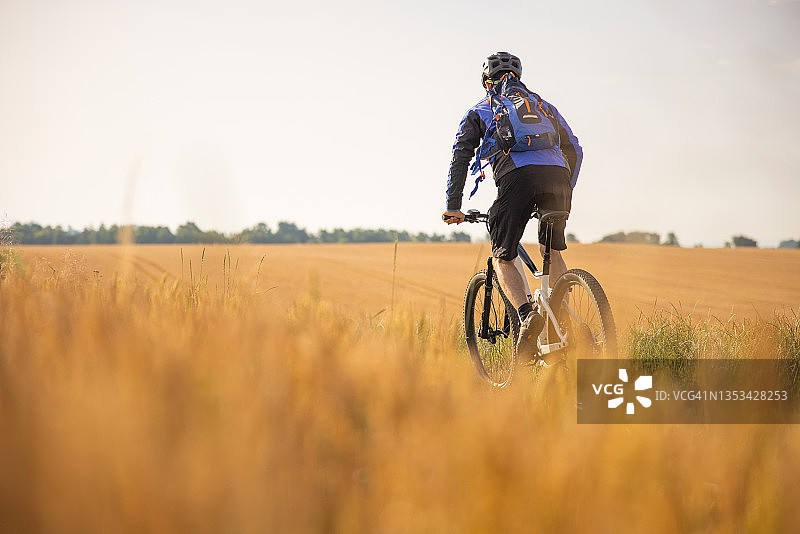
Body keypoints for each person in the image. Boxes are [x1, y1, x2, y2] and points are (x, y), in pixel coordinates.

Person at [442, 51, 583, 359]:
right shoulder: (544, 106)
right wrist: (565, 190)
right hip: (558, 178)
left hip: (518, 179)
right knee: (551, 250)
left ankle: (525, 316)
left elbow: (460, 155)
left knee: (502, 258)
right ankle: (559, 324)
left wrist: (454, 205)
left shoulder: (482, 109)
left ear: (485, 81)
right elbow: (574, 148)